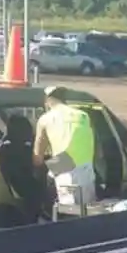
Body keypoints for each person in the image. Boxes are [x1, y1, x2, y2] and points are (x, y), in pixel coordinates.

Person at [30, 86, 98, 216]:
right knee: (88, 210)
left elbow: (37, 158)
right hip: (87, 166)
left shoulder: (46, 119)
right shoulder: (83, 115)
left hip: (65, 164)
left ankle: (48, 216)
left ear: (47, 101)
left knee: (68, 210)